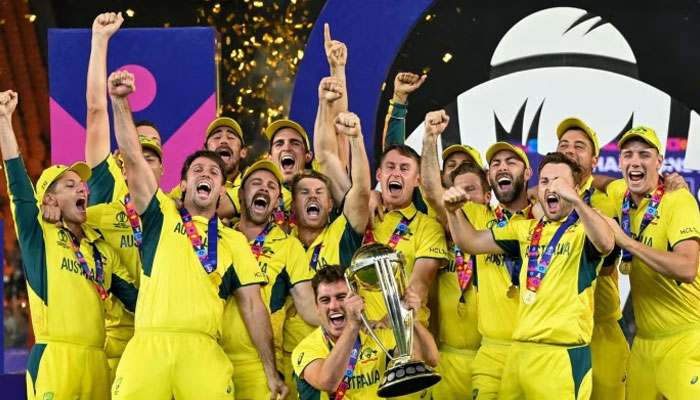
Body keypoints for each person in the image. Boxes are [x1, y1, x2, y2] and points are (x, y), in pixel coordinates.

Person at [107, 70, 273, 399]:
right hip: (148, 348)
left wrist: (270, 372)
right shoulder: (158, 213)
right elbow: (132, 156)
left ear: (222, 189)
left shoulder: (233, 240)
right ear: (183, 185)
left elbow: (253, 307)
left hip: (203, 351)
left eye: (213, 172)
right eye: (197, 170)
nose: (206, 174)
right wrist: (120, 101)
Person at [0, 89, 137, 400]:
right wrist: (4, 121)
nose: (83, 189)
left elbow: (136, 300)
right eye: (71, 185)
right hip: (54, 358)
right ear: (50, 199)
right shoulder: (40, 234)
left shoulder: (100, 250)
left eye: (83, 184)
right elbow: (19, 189)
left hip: (96, 362)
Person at [445, 151, 615, 399]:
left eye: (559, 181)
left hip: (562, 357)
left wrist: (578, 203)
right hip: (520, 354)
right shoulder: (525, 230)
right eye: (545, 181)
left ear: (575, 188)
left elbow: (607, 243)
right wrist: (452, 212)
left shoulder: (585, 230)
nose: (551, 187)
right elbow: (470, 241)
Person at [597, 127, 700, 400]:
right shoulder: (621, 193)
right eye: (628, 155)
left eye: (644, 154)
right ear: (620, 163)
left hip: (686, 339)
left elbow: (688, 268)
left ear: (659, 162)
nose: (635, 161)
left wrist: (626, 242)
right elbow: (600, 182)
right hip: (643, 344)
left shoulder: (678, 200)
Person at [281, 103, 371, 397]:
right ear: (293, 205)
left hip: (344, 350)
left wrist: (356, 140)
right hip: (293, 356)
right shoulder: (281, 242)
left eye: (321, 192)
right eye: (304, 192)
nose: (313, 197)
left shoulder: (342, 233)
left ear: (331, 205)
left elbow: (360, 191)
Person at [221, 159, 318, 399]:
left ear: (277, 202)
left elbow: (308, 307)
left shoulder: (288, 246)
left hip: (261, 368)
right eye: (256, 183)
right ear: (241, 195)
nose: (264, 189)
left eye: (272, 187)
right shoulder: (217, 239)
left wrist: (353, 319)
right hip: (212, 358)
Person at [411, 110, 487, 398]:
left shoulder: (498, 226)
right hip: (447, 359)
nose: (462, 197)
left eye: (471, 190)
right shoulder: (445, 223)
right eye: (456, 190)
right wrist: (431, 137)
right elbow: (431, 189)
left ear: (487, 195)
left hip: (490, 355)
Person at [555, 118, 628, 399]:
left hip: (603, 329)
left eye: (579, 146)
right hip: (559, 333)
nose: (570, 149)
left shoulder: (610, 200)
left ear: (594, 160)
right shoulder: (540, 201)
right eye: (564, 145)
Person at [292, 264, 439, 400]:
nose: (334, 306)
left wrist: (412, 320)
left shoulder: (376, 336)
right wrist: (352, 325)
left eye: (341, 297)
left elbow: (431, 360)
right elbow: (328, 383)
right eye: (325, 300)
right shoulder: (306, 349)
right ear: (317, 308)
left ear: (359, 300)